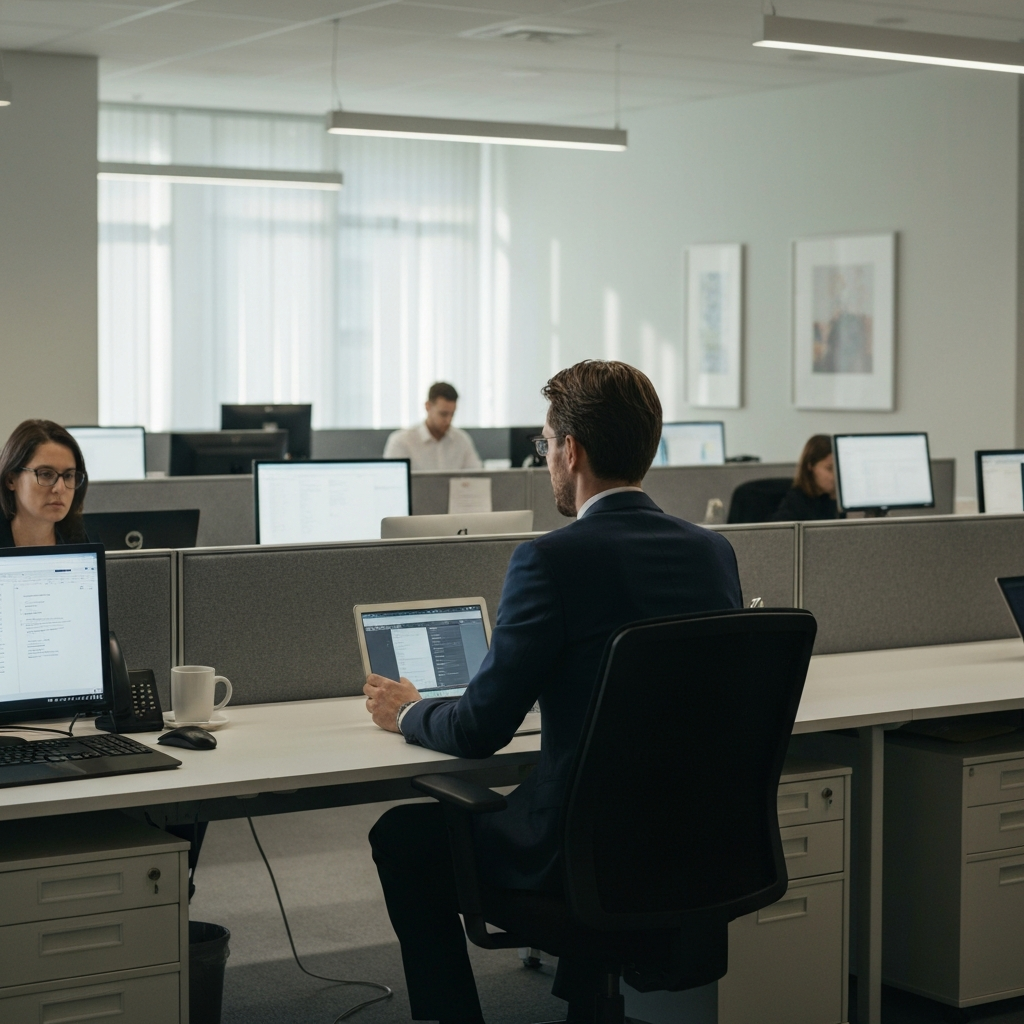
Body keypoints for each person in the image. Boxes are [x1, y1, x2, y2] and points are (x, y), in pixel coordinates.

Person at [363, 360, 742, 1024]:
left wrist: (410, 710)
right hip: (691, 845)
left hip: (577, 854)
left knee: (401, 835)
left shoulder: (550, 560)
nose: (547, 461)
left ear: (572, 450)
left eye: (545, 445)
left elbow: (478, 729)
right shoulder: (712, 553)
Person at [0, 420, 89, 547]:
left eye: (68, 475)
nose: (60, 488)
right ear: (11, 480)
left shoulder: (77, 537)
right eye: (46, 474)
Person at [383, 382, 482, 472]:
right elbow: (393, 480)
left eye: (452, 414)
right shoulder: (402, 441)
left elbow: (477, 476)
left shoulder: (461, 440)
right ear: (428, 406)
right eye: (443, 414)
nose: (448, 420)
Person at [772, 434, 840, 522]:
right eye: (829, 468)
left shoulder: (837, 500)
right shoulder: (796, 503)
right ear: (810, 465)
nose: (835, 475)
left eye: (839, 468)